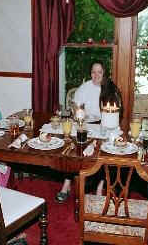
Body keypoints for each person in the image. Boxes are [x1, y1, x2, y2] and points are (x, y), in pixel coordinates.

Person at [55, 61, 105, 203]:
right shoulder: (85, 87)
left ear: (103, 73)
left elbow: (111, 110)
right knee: (72, 150)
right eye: (93, 72)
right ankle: (66, 185)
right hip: (84, 124)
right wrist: (80, 114)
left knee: (101, 153)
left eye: (99, 72)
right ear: (90, 74)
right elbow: (76, 106)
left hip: (101, 125)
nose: (96, 75)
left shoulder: (107, 88)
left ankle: (99, 190)